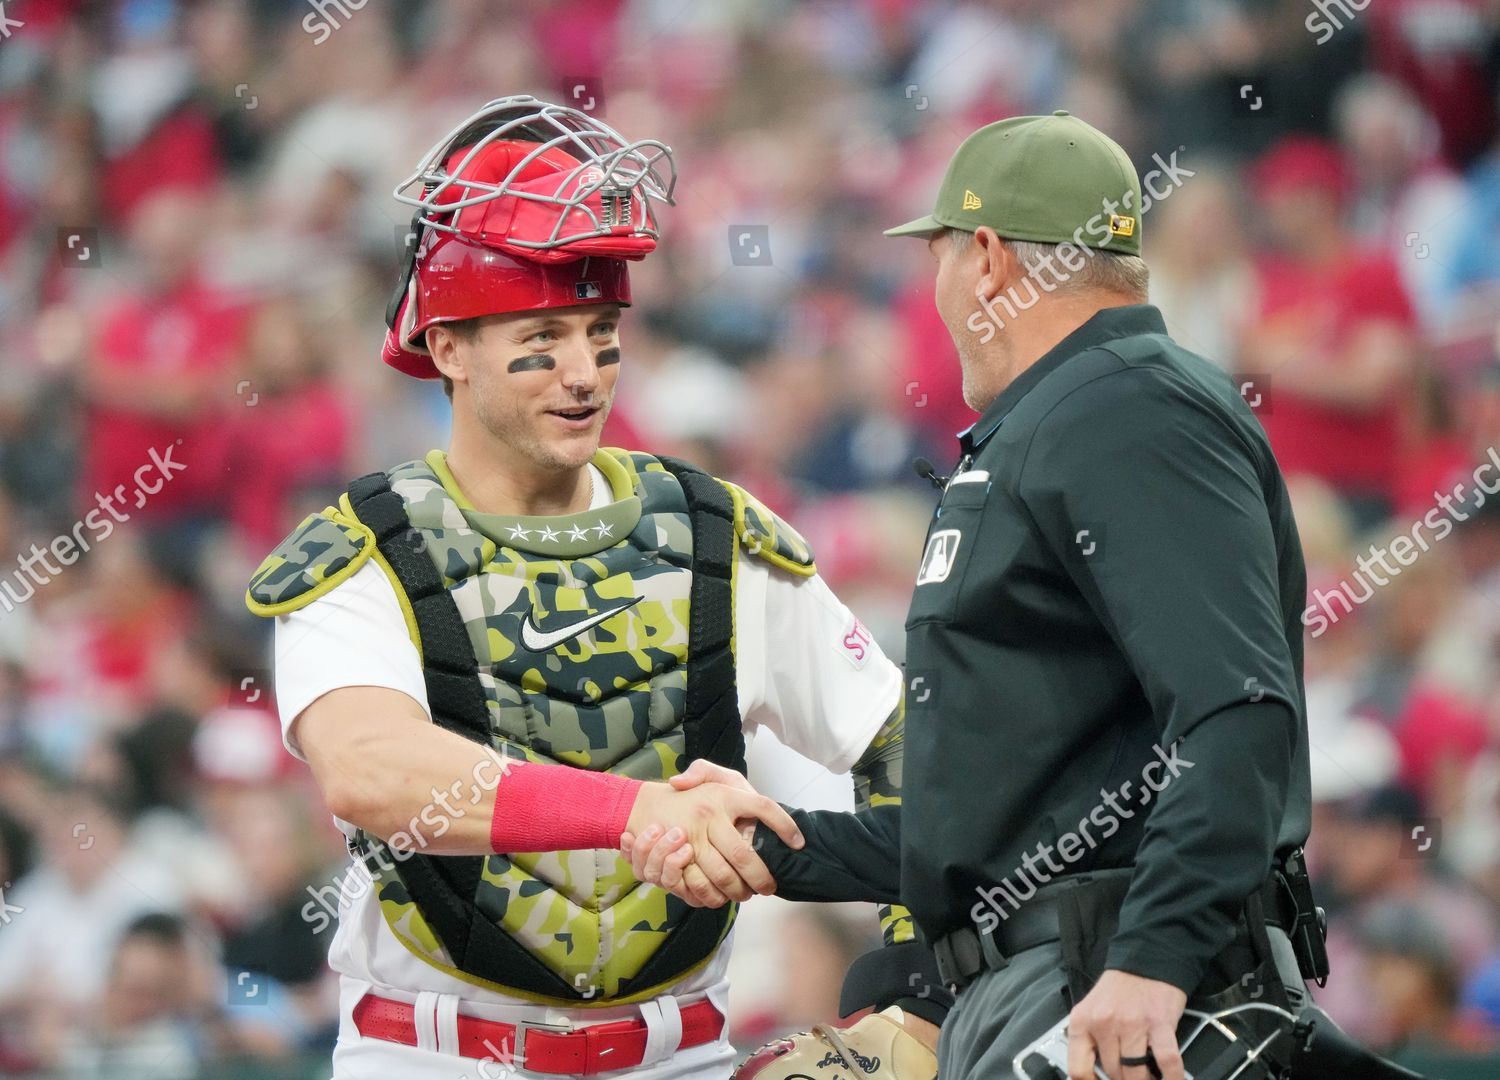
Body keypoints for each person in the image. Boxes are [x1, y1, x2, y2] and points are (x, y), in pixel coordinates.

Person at [243, 95, 932, 1079]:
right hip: (436, 1056)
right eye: (543, 336)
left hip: (683, 1052)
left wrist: (917, 987)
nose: (584, 373)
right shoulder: (365, 548)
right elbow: (373, 771)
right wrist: (634, 812)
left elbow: (906, 742)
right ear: (448, 347)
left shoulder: (710, 531)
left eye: (600, 331)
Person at [632, 112, 1321, 1080]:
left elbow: (1236, 710)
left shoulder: (1128, 408)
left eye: (941, 256)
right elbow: (998, 823)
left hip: (1107, 997)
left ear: (989, 258)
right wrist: (777, 845)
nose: (937, 289)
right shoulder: (1069, 417)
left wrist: (1154, 961)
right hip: (1036, 988)